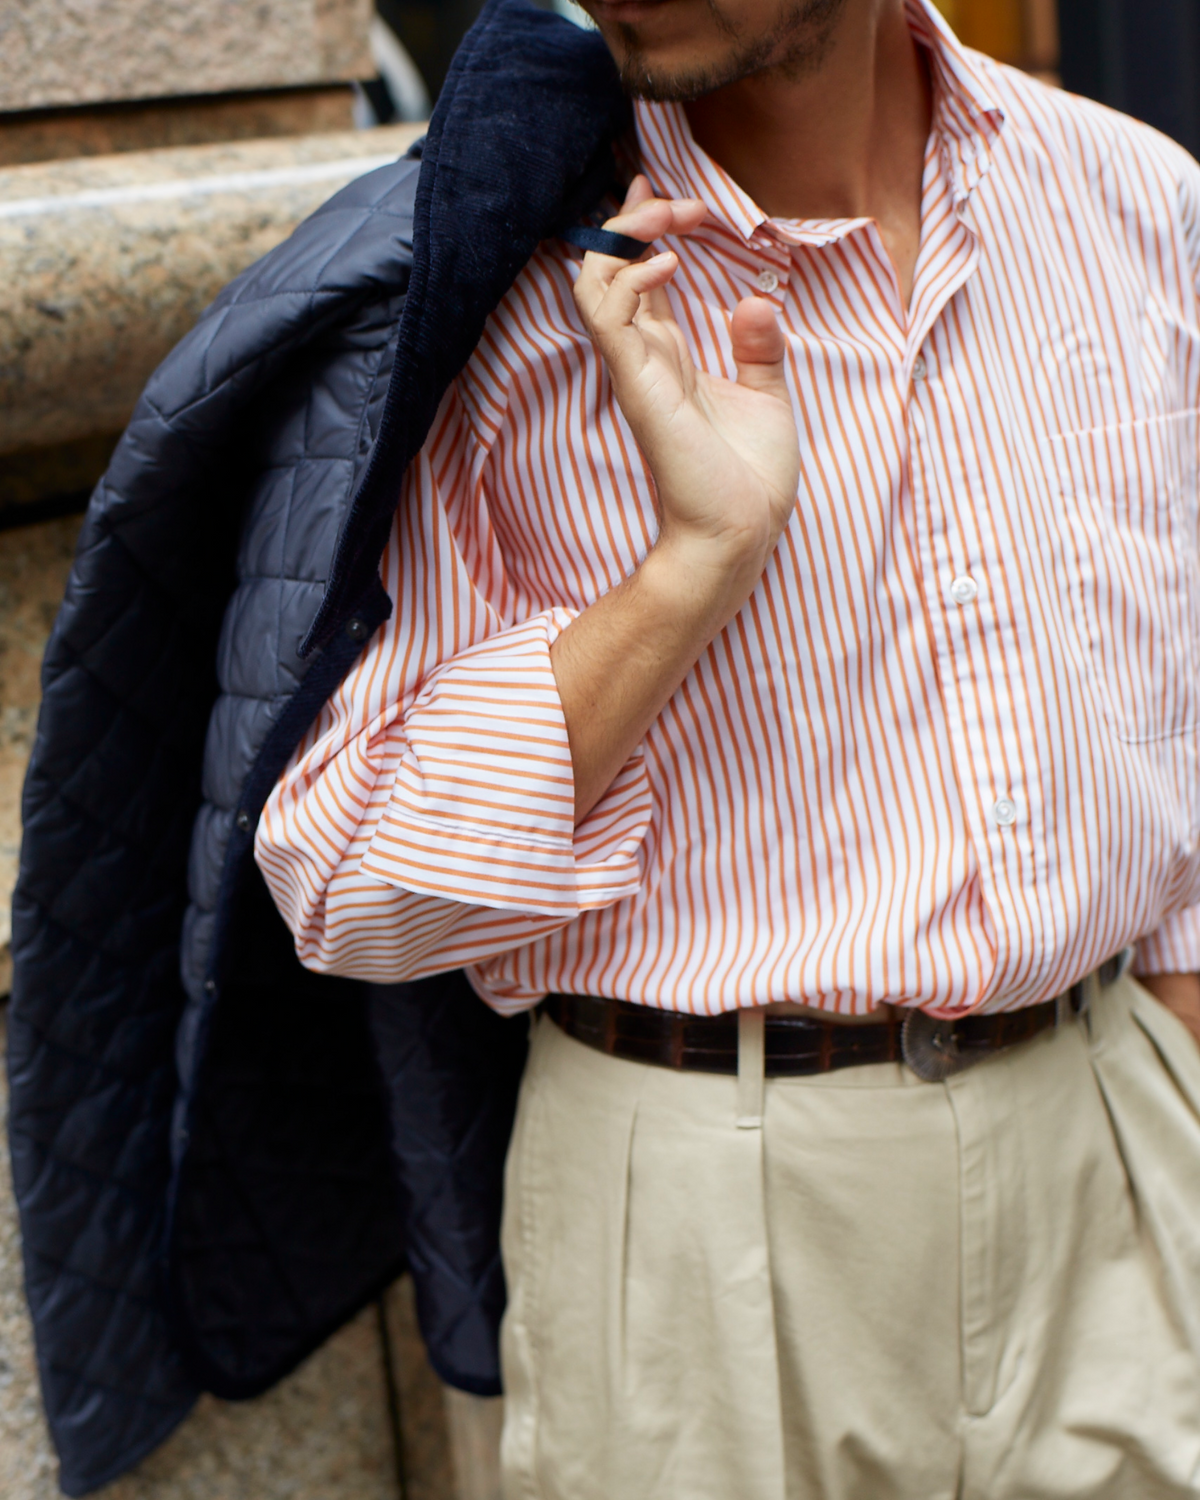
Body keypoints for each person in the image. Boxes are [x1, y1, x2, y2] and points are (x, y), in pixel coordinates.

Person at [255, 0, 1200, 1495]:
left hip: (1115, 1146)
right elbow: (348, 891)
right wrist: (691, 570)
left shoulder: (1132, 199)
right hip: (711, 1221)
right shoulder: (510, 283)